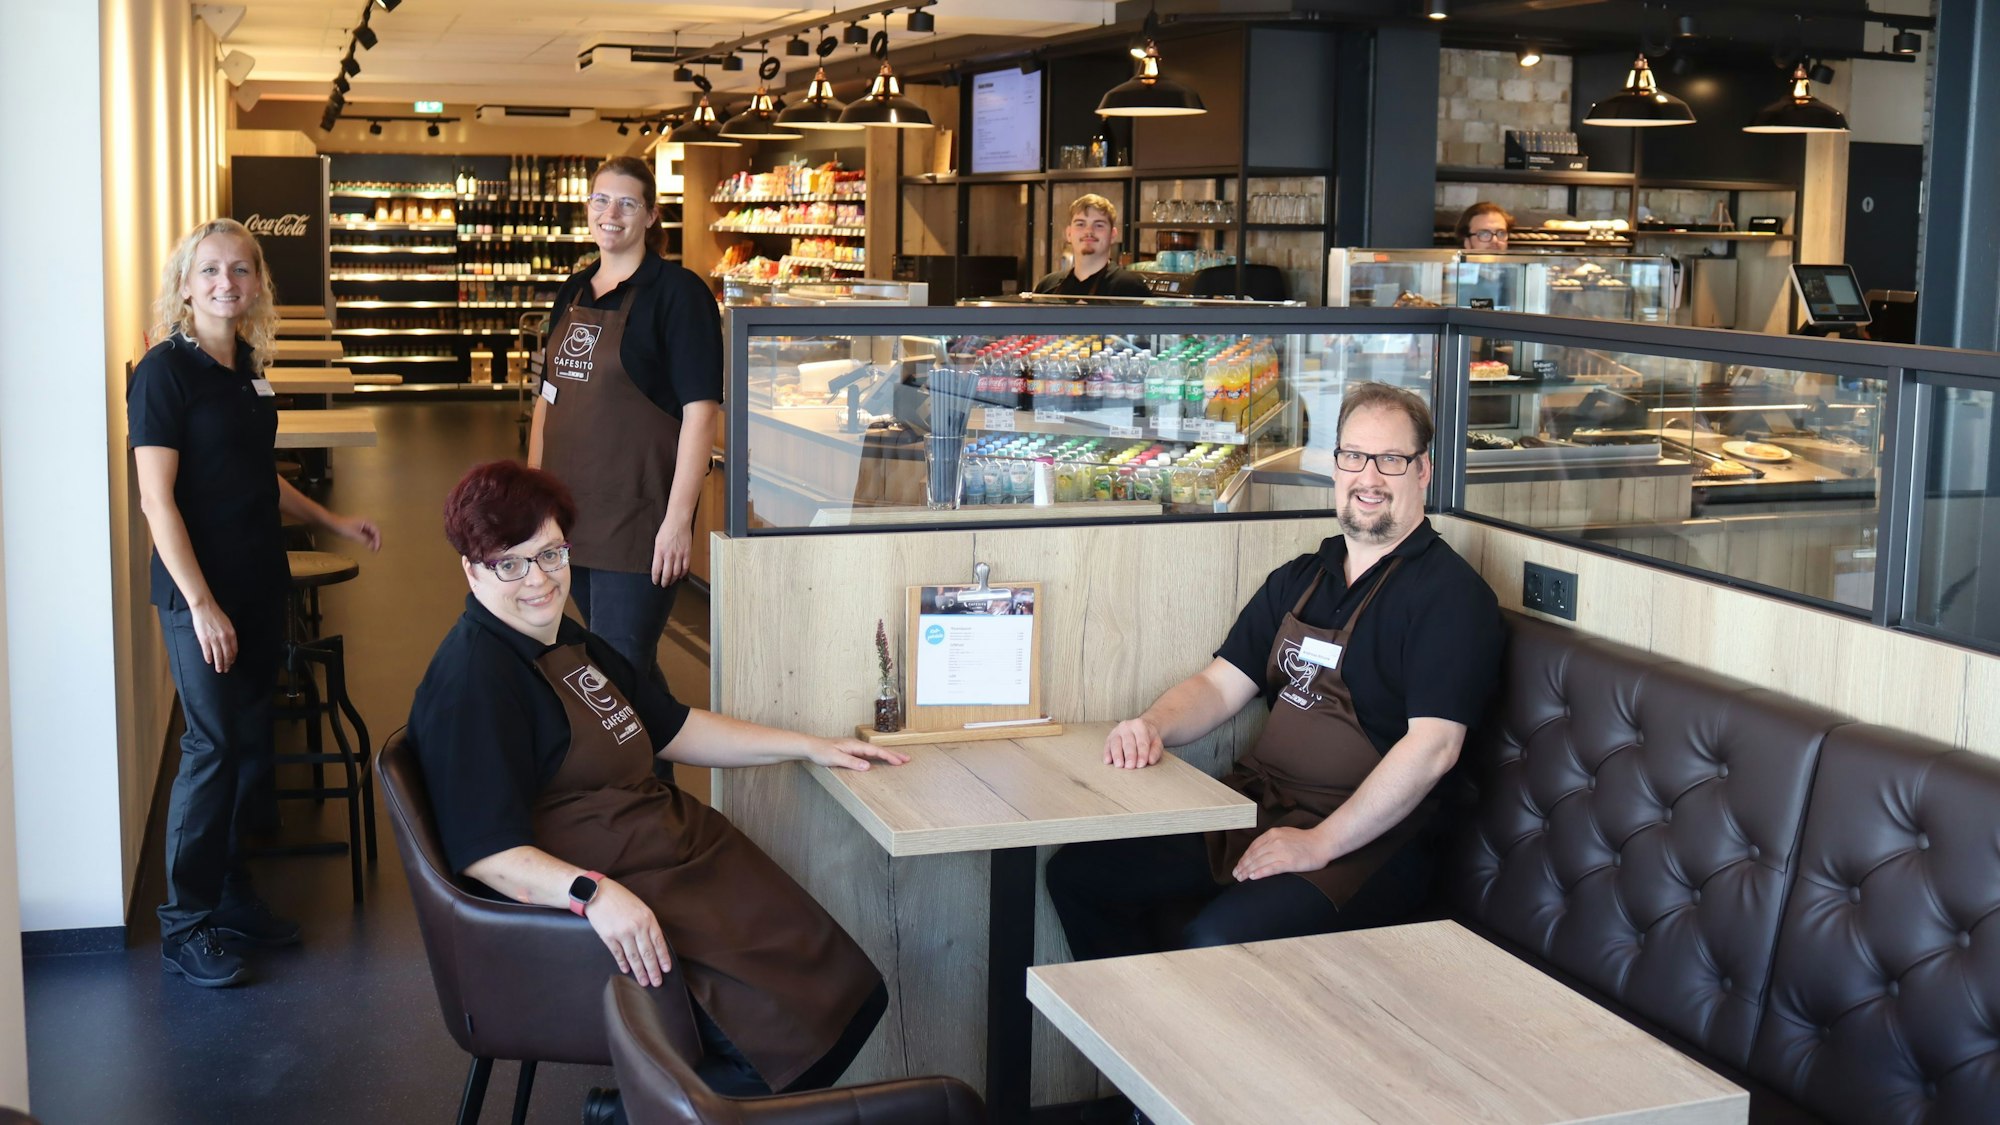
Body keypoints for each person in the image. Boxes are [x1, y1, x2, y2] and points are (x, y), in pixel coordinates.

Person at [406, 460, 904, 1107]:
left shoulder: (565, 640)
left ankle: (651, 1110)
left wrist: (807, 745)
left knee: (853, 999)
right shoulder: (476, 680)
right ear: (472, 569)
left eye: (551, 553)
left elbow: (673, 725)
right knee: (790, 1041)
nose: (539, 578)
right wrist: (593, 894)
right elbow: (488, 854)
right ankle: (638, 1113)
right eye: (511, 563)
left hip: (679, 862)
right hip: (624, 888)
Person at [1046, 383, 1503, 961]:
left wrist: (1320, 843)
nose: (1369, 477)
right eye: (1354, 456)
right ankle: (1136, 1017)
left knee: (1215, 942)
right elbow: (1219, 685)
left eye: (1390, 459)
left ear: (1423, 471)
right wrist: (1153, 725)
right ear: (1336, 466)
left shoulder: (1451, 597)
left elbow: (1434, 747)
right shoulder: (1302, 578)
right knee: (1080, 876)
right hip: (1260, 806)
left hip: (1368, 841)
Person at [130, 218, 382, 988]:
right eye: (210, 270)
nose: (226, 283)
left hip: (258, 581)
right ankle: (185, 924)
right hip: (199, 594)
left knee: (248, 745)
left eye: (240, 269)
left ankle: (232, 894)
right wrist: (201, 603)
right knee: (211, 750)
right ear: (185, 283)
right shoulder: (164, 373)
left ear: (258, 282)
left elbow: (255, 475)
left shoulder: (245, 367)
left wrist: (332, 519)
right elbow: (156, 500)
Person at [529, 155, 720, 697]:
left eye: (627, 203)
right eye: (601, 200)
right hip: (569, 512)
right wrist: (531, 496)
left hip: (637, 517)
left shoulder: (678, 295)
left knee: (618, 668)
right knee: (619, 664)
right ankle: (659, 753)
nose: (610, 214)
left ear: (651, 215)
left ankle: (643, 758)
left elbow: (701, 413)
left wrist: (678, 520)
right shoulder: (573, 290)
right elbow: (547, 398)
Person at [1033, 193, 1150, 299]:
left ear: (1113, 235)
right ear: (1069, 234)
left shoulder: (1131, 289)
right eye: (1080, 224)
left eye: (1099, 225)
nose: (1089, 231)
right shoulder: (1047, 287)